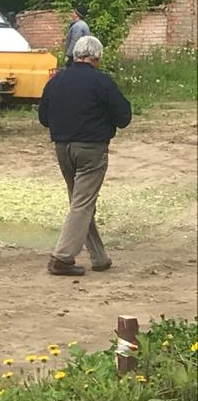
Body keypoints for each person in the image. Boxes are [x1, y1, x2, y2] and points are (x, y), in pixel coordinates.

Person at [38, 35, 131, 276]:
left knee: (80, 202)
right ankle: (62, 257)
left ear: (75, 55)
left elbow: (43, 118)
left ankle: (99, 257)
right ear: (97, 57)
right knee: (83, 203)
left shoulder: (56, 81)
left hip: (62, 148)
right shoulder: (102, 82)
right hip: (91, 148)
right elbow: (124, 118)